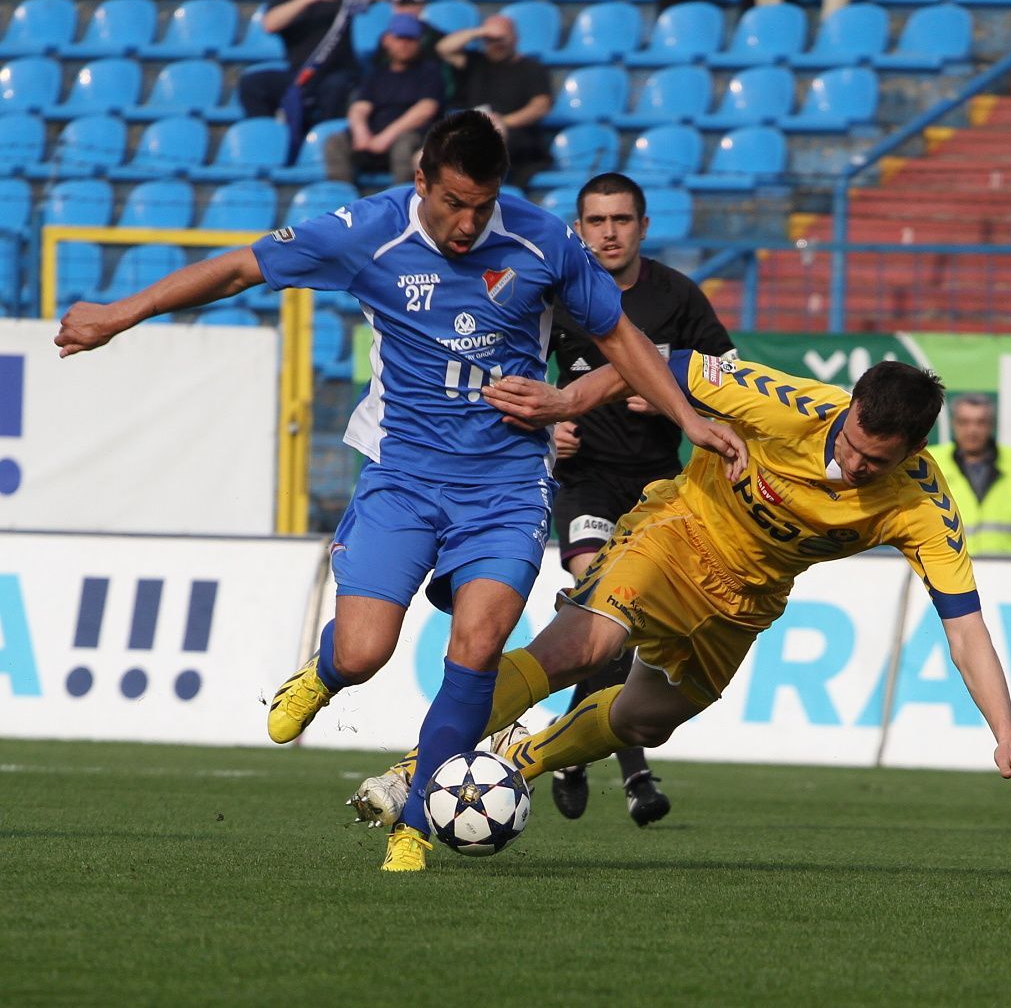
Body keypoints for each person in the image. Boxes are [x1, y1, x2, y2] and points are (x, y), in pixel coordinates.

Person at [54, 111, 747, 873]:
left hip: (507, 485)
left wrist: (688, 418)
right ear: (420, 181)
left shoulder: (543, 240)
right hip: (404, 476)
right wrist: (120, 314)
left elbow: (621, 338)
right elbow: (241, 268)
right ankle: (327, 671)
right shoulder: (369, 232)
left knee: (477, 646)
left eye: (483, 205)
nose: (468, 223)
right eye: (453, 203)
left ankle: (414, 823)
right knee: (365, 650)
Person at [346, 354, 1011, 869]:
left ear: (914, 450)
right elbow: (652, 362)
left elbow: (965, 628)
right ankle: (419, 769)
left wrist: (1005, 735)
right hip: (678, 533)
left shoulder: (922, 504)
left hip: (746, 602)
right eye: (850, 445)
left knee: (644, 721)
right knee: (584, 646)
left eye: (873, 463)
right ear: (848, 408)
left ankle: (518, 757)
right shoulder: (782, 402)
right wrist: (570, 402)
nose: (852, 466)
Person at [534, 172, 736, 827]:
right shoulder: (559, 297)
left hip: (659, 488)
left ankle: (568, 748)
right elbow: (514, 376)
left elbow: (731, 378)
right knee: (602, 603)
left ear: (643, 227)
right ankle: (634, 772)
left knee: (623, 626)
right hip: (587, 480)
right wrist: (548, 430)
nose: (609, 232)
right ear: (579, 228)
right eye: (596, 221)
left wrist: (679, 398)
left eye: (621, 219)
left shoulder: (677, 296)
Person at [323, 14, 446, 187]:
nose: (404, 44)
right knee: (335, 142)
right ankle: (344, 199)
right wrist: (360, 132)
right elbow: (360, 107)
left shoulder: (430, 72)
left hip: (409, 137)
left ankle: (404, 200)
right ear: (387, 40)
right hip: (372, 138)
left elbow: (426, 109)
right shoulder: (376, 74)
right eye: (399, 38)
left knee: (404, 145)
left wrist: (386, 137)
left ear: (419, 42)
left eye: (410, 39)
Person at [436, 13, 553, 185]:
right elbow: (443, 48)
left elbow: (541, 106)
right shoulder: (475, 62)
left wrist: (503, 121)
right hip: (472, 131)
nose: (496, 44)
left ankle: (479, 189)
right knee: (425, 154)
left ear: (515, 38)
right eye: (490, 39)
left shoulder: (531, 68)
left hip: (516, 135)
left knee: (492, 134)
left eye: (501, 38)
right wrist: (481, 32)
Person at [239, 0, 362, 127]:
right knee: (253, 83)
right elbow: (269, 24)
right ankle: (265, 133)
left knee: (335, 87)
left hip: (336, 72)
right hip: (301, 75)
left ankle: (325, 134)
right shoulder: (283, 1)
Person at [927, 393, 1011, 556]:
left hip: (1004, 564)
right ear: (954, 424)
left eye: (980, 422)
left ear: (992, 425)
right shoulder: (932, 461)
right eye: (964, 422)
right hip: (948, 564)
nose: (972, 430)